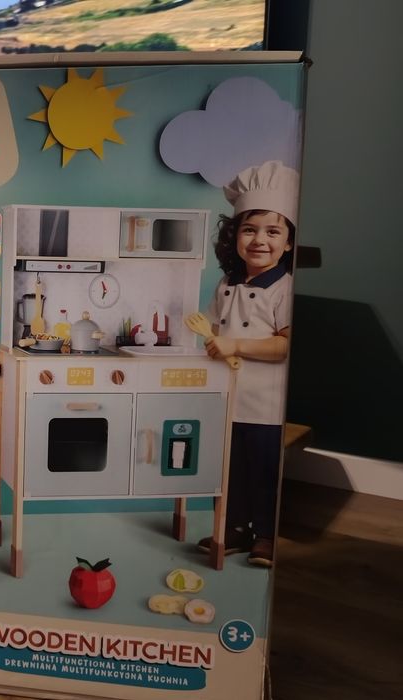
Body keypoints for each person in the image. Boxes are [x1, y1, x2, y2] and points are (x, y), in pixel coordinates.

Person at [196, 160, 298, 568]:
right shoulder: (227, 284)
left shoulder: (285, 288)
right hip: (227, 397)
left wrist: (234, 344)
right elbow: (212, 327)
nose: (259, 240)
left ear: (288, 243)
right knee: (229, 468)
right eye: (249, 229)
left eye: (273, 232)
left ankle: (267, 535)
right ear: (234, 235)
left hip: (266, 402)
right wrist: (209, 340)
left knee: (264, 469)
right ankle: (234, 527)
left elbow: (285, 345)